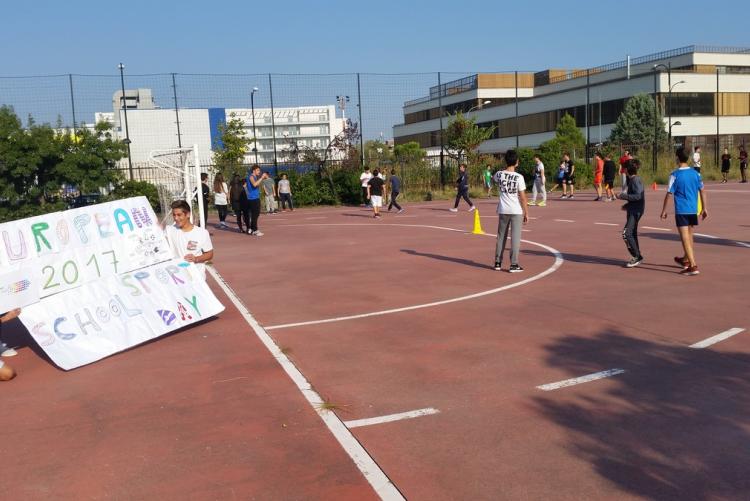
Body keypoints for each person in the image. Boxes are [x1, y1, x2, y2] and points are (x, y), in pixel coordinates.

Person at [660, 147, 707, 276]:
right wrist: (704, 208)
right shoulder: (696, 174)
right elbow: (702, 190)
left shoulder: (674, 175)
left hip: (681, 209)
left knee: (684, 237)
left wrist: (664, 210)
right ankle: (685, 259)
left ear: (677, 158)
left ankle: (693, 265)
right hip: (693, 209)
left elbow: (669, 193)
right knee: (690, 235)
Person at [493, 150, 528, 272]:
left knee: (501, 236)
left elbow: (495, 180)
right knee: (515, 237)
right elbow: (523, 197)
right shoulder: (519, 177)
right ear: (517, 162)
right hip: (516, 210)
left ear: (506, 161)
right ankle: (514, 264)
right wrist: (526, 212)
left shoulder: (499, 174)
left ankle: (498, 262)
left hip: (503, 209)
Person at [165, 200, 214, 281]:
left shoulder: (202, 233)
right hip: (178, 278)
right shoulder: (169, 230)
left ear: (188, 214)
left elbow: (210, 254)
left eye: (179, 215)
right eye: (174, 215)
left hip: (197, 278)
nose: (176, 218)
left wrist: (196, 259)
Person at [617, 159, 645, 267]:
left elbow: (638, 196)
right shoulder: (632, 180)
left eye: (624, 169)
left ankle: (637, 256)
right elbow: (635, 197)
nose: (623, 171)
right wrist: (627, 205)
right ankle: (637, 255)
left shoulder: (635, 180)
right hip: (633, 209)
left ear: (628, 170)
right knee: (632, 233)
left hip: (636, 211)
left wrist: (622, 196)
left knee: (626, 233)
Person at [246, 165, 266, 236]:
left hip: (255, 197)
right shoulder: (251, 176)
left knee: (256, 214)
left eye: (259, 170)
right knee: (255, 215)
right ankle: (255, 230)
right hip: (252, 198)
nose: (259, 172)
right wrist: (261, 178)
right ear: (253, 170)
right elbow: (254, 184)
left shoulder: (255, 177)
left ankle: (251, 228)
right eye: (258, 170)